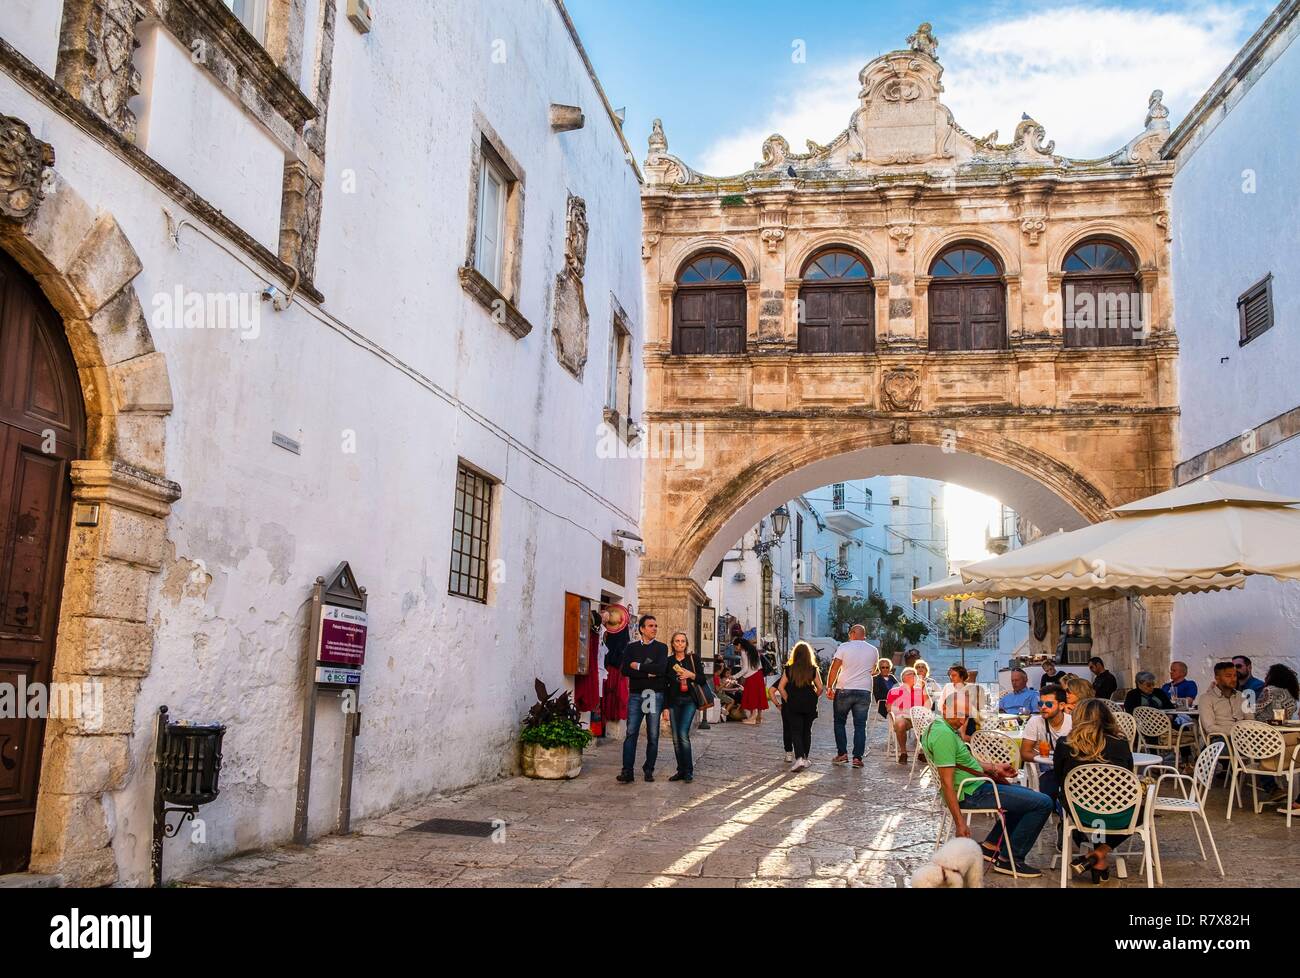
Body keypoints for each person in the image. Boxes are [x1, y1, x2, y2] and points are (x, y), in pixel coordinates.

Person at [922, 711, 1052, 878]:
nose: (962, 721)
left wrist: (994, 767)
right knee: (1043, 802)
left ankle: (991, 846)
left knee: (1027, 796)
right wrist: (960, 823)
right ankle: (1010, 859)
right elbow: (947, 783)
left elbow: (965, 763)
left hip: (975, 786)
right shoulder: (944, 735)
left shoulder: (942, 726)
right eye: (957, 715)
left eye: (965, 716)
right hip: (971, 793)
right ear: (945, 710)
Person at [1053, 699, 1136, 884]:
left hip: (1079, 811)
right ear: (1107, 718)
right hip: (1117, 812)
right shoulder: (1121, 744)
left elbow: (1059, 778)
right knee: (1141, 808)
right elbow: (1128, 777)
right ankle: (1100, 854)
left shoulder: (1064, 744)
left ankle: (1096, 857)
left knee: (1091, 809)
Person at [618, 615, 669, 783]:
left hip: (653, 694)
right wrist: (648, 673)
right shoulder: (631, 648)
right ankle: (627, 771)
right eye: (650, 626)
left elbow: (661, 669)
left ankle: (649, 769)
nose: (654, 628)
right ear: (641, 629)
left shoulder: (661, 648)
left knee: (653, 734)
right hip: (636, 695)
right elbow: (625, 670)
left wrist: (639, 666)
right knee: (631, 732)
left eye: (655, 625)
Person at [825, 624, 877, 768]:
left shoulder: (844, 647)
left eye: (849, 633)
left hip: (844, 688)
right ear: (864, 635)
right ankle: (857, 758)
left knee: (839, 722)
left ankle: (842, 754)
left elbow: (835, 667)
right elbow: (874, 670)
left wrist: (830, 687)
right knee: (860, 725)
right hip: (864, 690)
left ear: (853, 633)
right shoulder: (873, 650)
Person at [1019, 685, 1072, 805]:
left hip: (1068, 769)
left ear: (1062, 705)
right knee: (1049, 786)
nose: (1043, 707)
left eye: (1048, 704)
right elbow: (1024, 753)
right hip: (1046, 770)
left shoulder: (1072, 722)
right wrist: (1043, 759)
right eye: (1040, 703)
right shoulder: (1035, 721)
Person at [777, 641, 823, 771]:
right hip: (809, 703)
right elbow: (820, 688)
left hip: (793, 703)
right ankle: (806, 758)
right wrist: (814, 697)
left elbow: (780, 687)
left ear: (795, 654)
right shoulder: (813, 669)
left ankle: (799, 758)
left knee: (795, 731)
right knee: (806, 731)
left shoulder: (789, 669)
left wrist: (787, 699)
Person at [664, 631, 704, 783]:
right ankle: (680, 770)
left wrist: (690, 675)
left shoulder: (693, 659)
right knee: (675, 738)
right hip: (674, 702)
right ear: (672, 644)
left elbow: (701, 679)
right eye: (677, 641)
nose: (680, 643)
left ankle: (688, 771)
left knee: (682, 734)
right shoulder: (668, 662)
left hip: (689, 701)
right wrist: (665, 707)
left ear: (686, 644)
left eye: (682, 641)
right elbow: (665, 686)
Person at [887, 666, 930, 763]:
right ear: (903, 678)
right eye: (910, 674)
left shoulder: (920, 690)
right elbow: (889, 708)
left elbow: (928, 705)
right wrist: (906, 711)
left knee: (929, 724)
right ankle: (903, 753)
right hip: (903, 718)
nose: (914, 676)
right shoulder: (894, 691)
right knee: (900, 724)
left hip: (918, 717)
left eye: (914, 674)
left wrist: (924, 689)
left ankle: (922, 751)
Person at [1197, 661, 1246, 744]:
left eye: (1235, 676)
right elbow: (1209, 728)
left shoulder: (1242, 696)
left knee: (1271, 744)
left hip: (1244, 738)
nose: (1233, 679)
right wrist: (1236, 731)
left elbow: (1251, 720)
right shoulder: (1206, 698)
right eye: (1228, 676)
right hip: (1221, 740)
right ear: (1217, 678)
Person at [939, 664, 984, 739]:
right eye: (950, 675)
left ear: (962, 676)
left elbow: (974, 708)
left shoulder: (971, 688)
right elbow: (941, 704)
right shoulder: (948, 687)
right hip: (951, 717)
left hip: (967, 717)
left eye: (954, 675)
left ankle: (970, 740)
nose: (951, 677)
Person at [737, 638, 767, 724]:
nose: (736, 648)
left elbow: (745, 668)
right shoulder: (753, 650)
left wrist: (735, 676)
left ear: (739, 645)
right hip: (759, 674)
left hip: (751, 675)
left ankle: (753, 717)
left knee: (752, 696)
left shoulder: (743, 652)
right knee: (759, 696)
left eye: (736, 646)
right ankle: (758, 717)